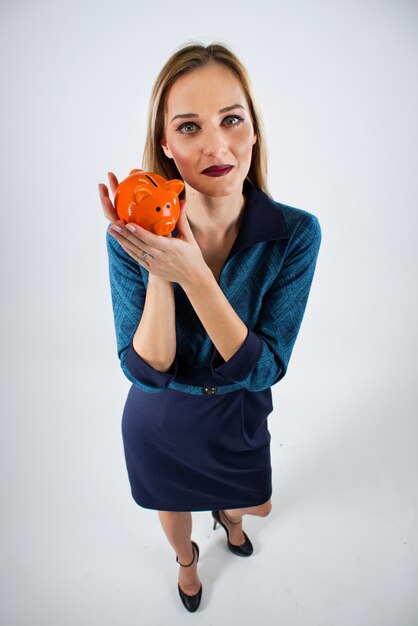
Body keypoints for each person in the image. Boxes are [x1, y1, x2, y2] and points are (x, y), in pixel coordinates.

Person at [98, 42, 321, 613]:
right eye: (190, 127)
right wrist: (160, 263)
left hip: (239, 410)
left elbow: (266, 368)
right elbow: (147, 371)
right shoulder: (128, 235)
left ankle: (230, 517)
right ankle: (187, 563)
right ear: (167, 145)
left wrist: (196, 274)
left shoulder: (295, 234)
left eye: (231, 120)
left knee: (256, 504)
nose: (216, 146)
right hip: (162, 414)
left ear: (254, 131)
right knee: (172, 509)